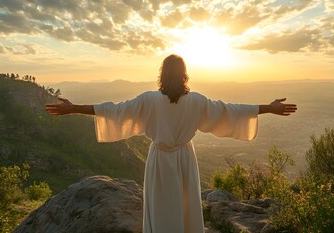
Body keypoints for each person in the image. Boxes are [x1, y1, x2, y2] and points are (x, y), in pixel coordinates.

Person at [45, 54, 297, 233]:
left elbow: (115, 111)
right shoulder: (196, 101)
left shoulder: (149, 100)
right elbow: (230, 111)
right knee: (186, 203)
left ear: (162, 75)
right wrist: (268, 108)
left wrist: (74, 108)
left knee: (161, 204)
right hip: (185, 158)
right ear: (185, 75)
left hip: (160, 158)